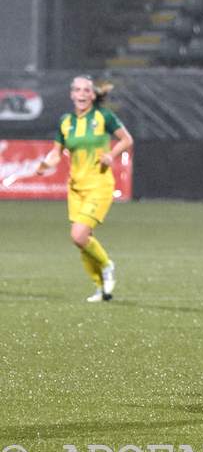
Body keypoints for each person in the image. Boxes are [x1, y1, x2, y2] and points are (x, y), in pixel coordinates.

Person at [36, 76, 133, 302]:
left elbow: (126, 139)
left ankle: (107, 265)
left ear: (92, 95)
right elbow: (56, 153)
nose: (81, 94)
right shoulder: (66, 121)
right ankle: (101, 288)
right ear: (71, 94)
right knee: (84, 241)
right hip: (76, 187)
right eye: (77, 90)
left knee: (78, 236)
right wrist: (44, 164)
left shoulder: (103, 117)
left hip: (99, 184)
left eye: (86, 90)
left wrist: (111, 155)